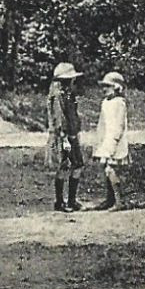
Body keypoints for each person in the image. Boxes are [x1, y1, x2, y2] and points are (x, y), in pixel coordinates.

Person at [47, 62, 85, 212]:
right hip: (64, 136)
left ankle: (71, 200)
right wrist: (64, 138)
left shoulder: (68, 94)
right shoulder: (58, 96)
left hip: (71, 134)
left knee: (77, 165)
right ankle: (60, 202)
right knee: (64, 165)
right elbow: (60, 118)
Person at [92, 71, 132, 211]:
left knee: (111, 170)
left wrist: (114, 141)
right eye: (103, 86)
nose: (104, 89)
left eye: (107, 86)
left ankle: (119, 201)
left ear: (116, 87)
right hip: (106, 139)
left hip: (116, 140)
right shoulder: (105, 103)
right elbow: (102, 123)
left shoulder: (119, 103)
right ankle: (109, 199)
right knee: (106, 169)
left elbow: (119, 125)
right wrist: (99, 141)